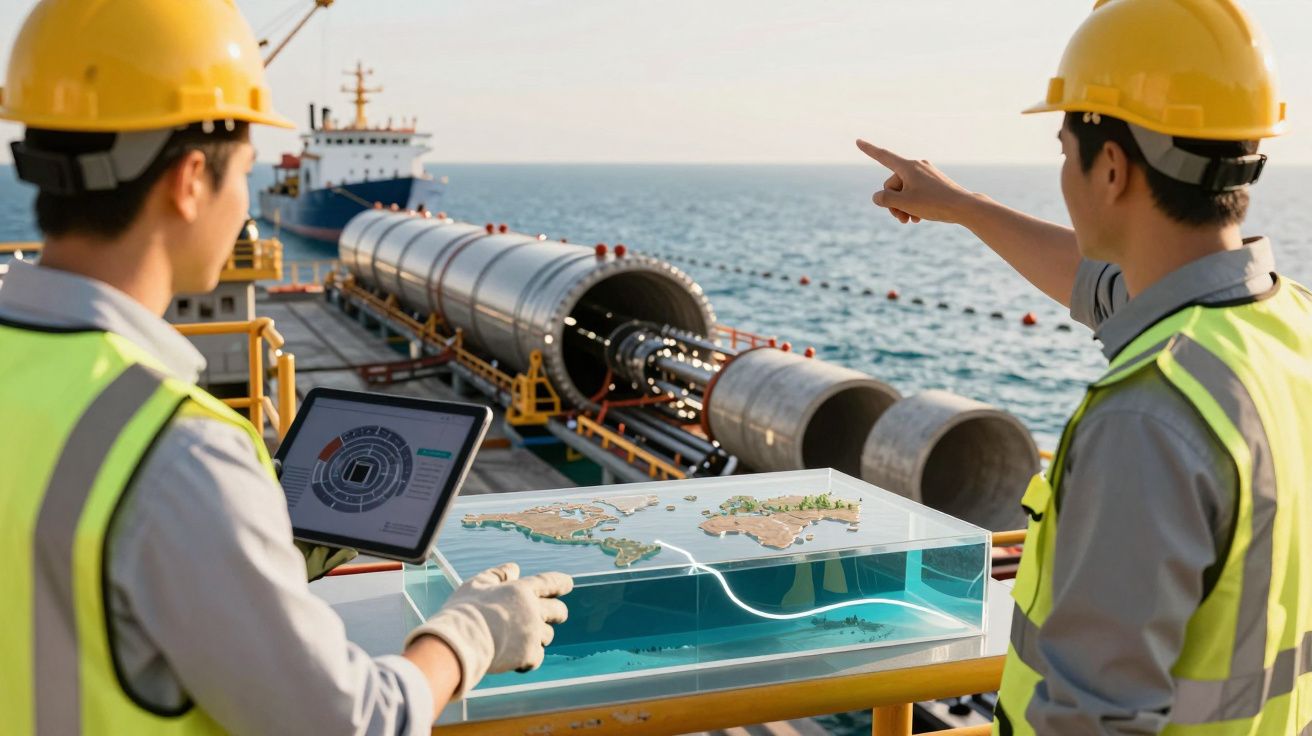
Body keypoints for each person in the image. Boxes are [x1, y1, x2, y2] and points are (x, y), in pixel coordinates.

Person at [0, 1, 571, 733]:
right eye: (245, 172)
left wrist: (254, 555)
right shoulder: (177, 452)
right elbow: (345, 722)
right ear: (190, 180)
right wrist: (471, 635)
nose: (247, 203)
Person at [858, 0, 1312, 733]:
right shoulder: (1287, 327)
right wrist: (962, 206)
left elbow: (1097, 719)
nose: (1064, 177)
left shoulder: (1151, 416)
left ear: (1110, 167)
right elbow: (1107, 284)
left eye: (1065, 152)